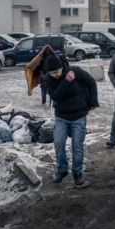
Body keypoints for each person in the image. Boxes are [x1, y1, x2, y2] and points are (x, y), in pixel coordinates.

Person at [44, 56, 99, 186]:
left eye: (56, 72)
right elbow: (55, 96)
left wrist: (93, 102)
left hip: (79, 115)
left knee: (77, 145)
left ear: (61, 67)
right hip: (61, 116)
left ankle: (77, 173)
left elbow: (91, 82)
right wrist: (66, 81)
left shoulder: (76, 71)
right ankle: (62, 170)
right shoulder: (48, 79)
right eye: (51, 73)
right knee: (58, 142)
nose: (54, 75)